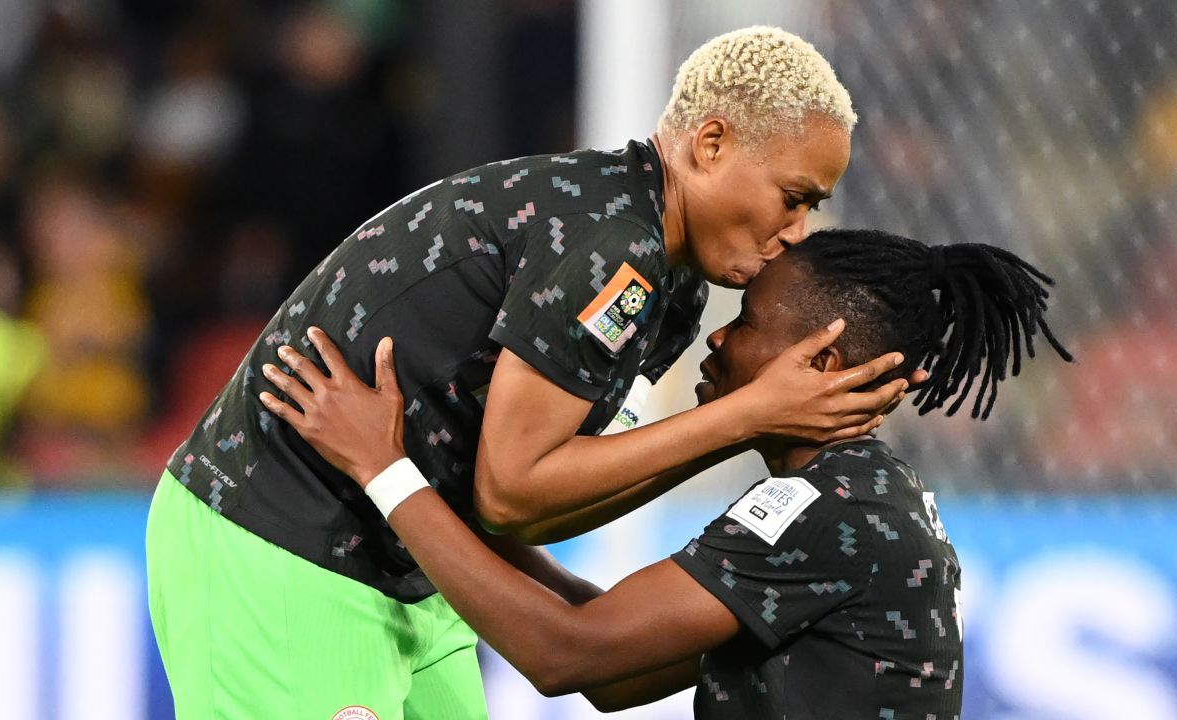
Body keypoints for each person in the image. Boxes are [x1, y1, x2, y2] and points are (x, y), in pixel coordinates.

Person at [146, 27, 921, 719]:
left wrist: (741, 426)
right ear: (710, 144)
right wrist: (744, 418)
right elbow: (513, 491)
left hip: (405, 560)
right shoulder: (611, 243)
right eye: (793, 198)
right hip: (280, 534)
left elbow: (539, 502)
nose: (798, 233)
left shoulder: (672, 288)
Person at [261, 229, 1073, 719]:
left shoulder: (830, 510)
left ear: (819, 360)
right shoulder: (854, 492)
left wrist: (385, 470)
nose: (718, 342)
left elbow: (568, 656)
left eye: (746, 324)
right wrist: (474, 521)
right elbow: (622, 673)